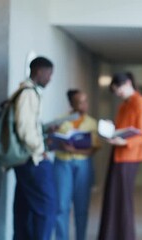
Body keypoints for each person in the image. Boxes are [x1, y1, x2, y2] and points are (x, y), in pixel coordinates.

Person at [98, 72, 142, 240]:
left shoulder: (141, 103)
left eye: (119, 89)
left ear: (128, 83)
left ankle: (124, 235)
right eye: (116, 91)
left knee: (122, 198)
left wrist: (125, 143)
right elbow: (123, 127)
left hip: (129, 156)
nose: (118, 93)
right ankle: (110, 234)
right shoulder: (124, 105)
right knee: (112, 196)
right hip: (118, 153)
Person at [13, 56, 56, 240]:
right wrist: (40, 150)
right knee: (47, 209)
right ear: (39, 72)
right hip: (33, 159)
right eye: (49, 74)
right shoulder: (28, 93)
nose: (50, 78)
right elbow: (24, 128)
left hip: (25, 160)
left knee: (24, 209)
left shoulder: (22, 92)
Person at [53, 89, 100, 240]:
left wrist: (74, 149)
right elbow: (51, 142)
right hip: (62, 164)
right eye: (79, 102)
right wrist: (59, 143)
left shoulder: (92, 123)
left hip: (83, 165)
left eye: (85, 101)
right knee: (61, 206)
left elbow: (94, 148)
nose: (83, 105)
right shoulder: (60, 120)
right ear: (71, 103)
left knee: (81, 207)